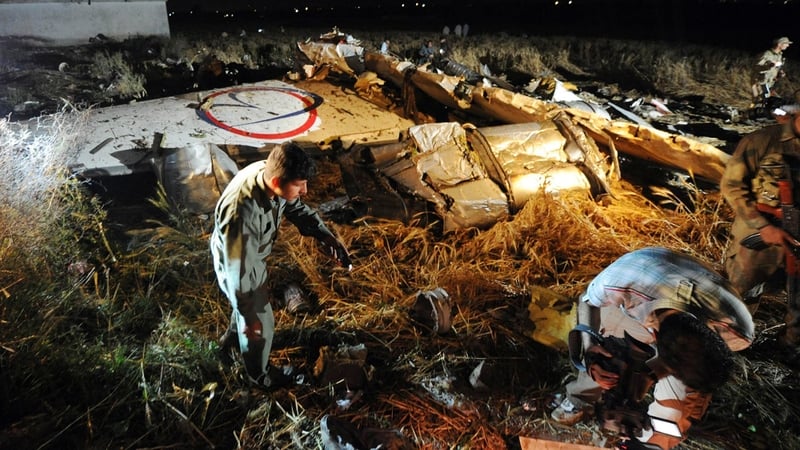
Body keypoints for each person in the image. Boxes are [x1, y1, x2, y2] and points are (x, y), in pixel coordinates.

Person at [551, 247, 754, 450]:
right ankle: (581, 396)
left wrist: (651, 374)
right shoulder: (623, 281)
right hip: (638, 302)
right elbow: (587, 300)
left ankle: (651, 444)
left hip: (683, 315)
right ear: (656, 337)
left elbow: (698, 361)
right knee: (607, 357)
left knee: (677, 412)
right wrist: (590, 346)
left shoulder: (737, 331)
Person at [211, 141, 353, 389]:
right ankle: (260, 377)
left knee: (248, 314)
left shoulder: (271, 173)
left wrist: (324, 235)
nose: (305, 191)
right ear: (277, 182)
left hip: (250, 255)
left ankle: (229, 344)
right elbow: (238, 276)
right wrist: (251, 312)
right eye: (299, 185)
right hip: (236, 262)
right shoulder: (240, 214)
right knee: (258, 320)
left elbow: (296, 208)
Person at [721, 107, 800, 345]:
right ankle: (729, 344)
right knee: (740, 294)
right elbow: (732, 186)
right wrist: (763, 226)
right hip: (759, 233)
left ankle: (789, 348)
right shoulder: (763, 141)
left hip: (796, 237)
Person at [751, 36, 792, 105]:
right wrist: (769, 66)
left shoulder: (779, 55)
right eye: (786, 43)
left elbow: (776, 68)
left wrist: (780, 73)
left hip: (769, 83)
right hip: (761, 82)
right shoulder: (767, 54)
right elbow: (756, 67)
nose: (788, 45)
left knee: (763, 101)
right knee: (761, 101)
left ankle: (755, 109)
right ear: (779, 44)